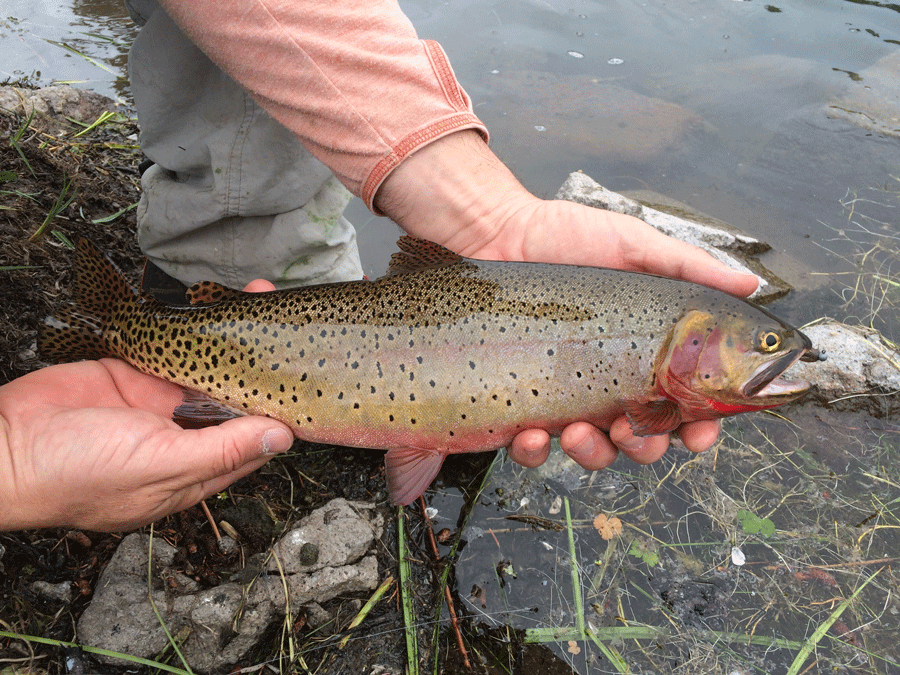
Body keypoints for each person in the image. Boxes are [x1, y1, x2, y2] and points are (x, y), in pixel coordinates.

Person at [0, 0, 758, 532]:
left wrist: (487, 213)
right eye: (761, 344)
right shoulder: (665, 353)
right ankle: (142, 328)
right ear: (695, 343)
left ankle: (173, 312)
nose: (772, 356)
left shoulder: (664, 368)